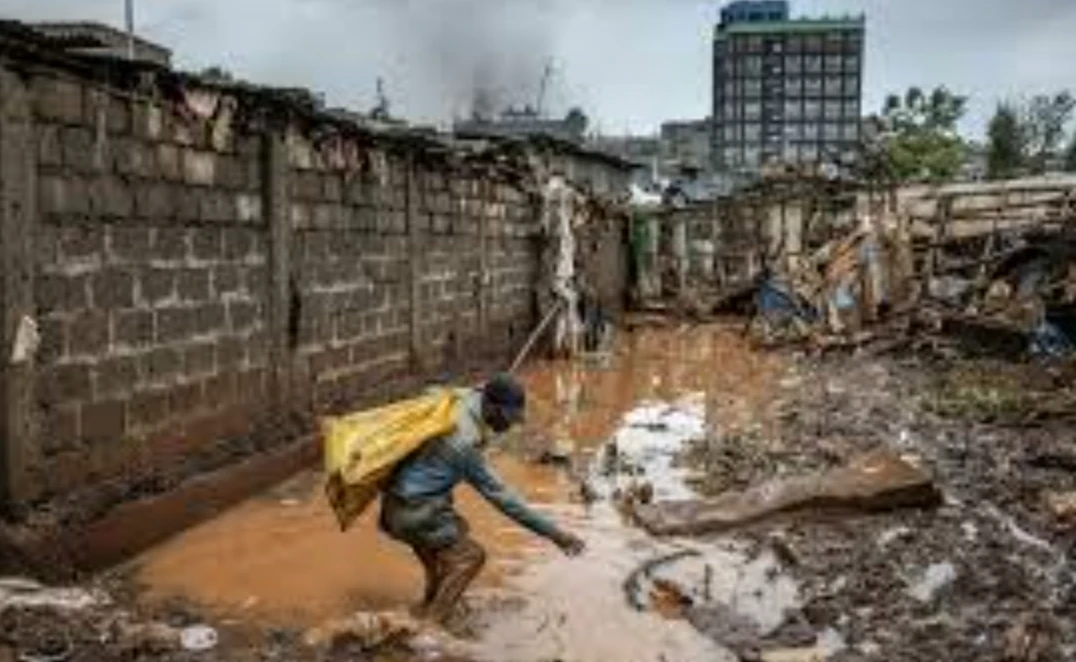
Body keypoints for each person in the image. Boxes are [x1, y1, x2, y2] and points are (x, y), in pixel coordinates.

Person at [379, 374, 586, 623]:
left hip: (396, 502)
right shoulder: (463, 443)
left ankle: (420, 616)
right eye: (506, 418)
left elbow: (438, 389)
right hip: (416, 511)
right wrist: (556, 535)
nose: (509, 426)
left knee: (440, 570)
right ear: (490, 406)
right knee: (470, 557)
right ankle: (428, 631)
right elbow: (502, 498)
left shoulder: (464, 398)